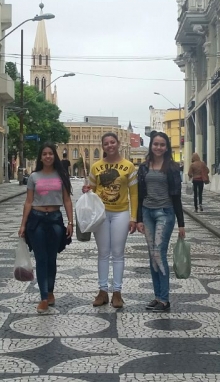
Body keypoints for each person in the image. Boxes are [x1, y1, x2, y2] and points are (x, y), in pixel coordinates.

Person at [83, 132, 139, 308]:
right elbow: (92, 191)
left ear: (118, 143)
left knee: (118, 253)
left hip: (120, 213)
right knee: (103, 253)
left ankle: (117, 292)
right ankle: (102, 291)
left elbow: (134, 194)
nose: (110, 145)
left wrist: (133, 217)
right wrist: (87, 190)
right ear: (103, 146)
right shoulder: (96, 167)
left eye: (112, 142)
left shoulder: (129, 166)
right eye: (106, 143)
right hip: (101, 214)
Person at [19, 143, 74, 314]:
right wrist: (23, 224)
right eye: (44, 154)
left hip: (55, 220)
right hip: (36, 220)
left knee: (51, 259)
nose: (48, 156)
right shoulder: (34, 177)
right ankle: (43, 297)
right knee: (41, 259)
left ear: (54, 156)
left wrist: (71, 222)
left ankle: (50, 291)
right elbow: (28, 201)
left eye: (50, 153)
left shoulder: (61, 175)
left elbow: (67, 200)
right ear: (41, 157)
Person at [136, 132, 185, 312]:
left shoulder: (172, 167)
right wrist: (139, 219)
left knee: (159, 254)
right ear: (151, 146)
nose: (158, 147)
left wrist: (181, 224)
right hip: (147, 212)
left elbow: (177, 196)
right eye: (155, 144)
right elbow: (140, 194)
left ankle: (164, 299)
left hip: (165, 213)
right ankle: (157, 297)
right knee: (152, 255)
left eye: (162, 144)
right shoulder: (144, 167)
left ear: (167, 147)